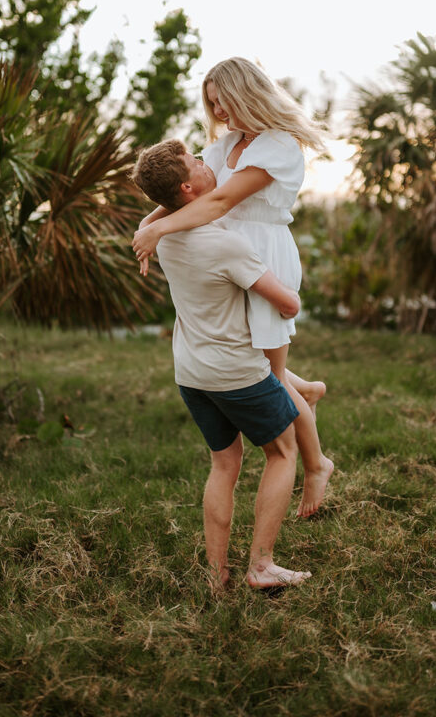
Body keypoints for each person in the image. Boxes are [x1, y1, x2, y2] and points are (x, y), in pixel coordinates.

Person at [132, 57, 333, 517]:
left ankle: (317, 464)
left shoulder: (278, 146)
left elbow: (220, 199)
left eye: (223, 102)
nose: (218, 113)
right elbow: (190, 194)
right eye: (212, 105)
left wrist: (157, 232)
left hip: (264, 256)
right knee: (253, 363)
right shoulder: (224, 148)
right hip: (226, 259)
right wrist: (149, 222)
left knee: (272, 377)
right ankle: (310, 394)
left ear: (247, 94)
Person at [131, 138, 313, 590]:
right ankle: (261, 565)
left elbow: (156, 218)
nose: (202, 159)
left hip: (191, 374)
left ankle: (217, 576)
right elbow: (288, 305)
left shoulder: (167, 238)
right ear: (190, 187)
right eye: (194, 161)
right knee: (283, 452)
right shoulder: (227, 245)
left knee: (224, 463)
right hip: (236, 373)